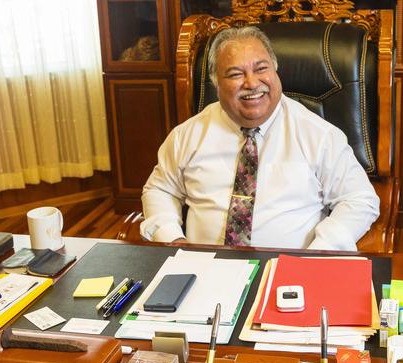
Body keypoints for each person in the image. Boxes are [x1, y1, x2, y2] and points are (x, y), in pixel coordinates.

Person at [140, 26, 379, 251]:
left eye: (261, 69)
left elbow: (359, 200)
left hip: (291, 272)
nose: (252, 83)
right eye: (235, 74)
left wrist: (318, 252)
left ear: (275, 71)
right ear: (216, 84)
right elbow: (160, 190)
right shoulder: (188, 135)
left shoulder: (319, 135)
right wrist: (173, 240)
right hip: (204, 267)